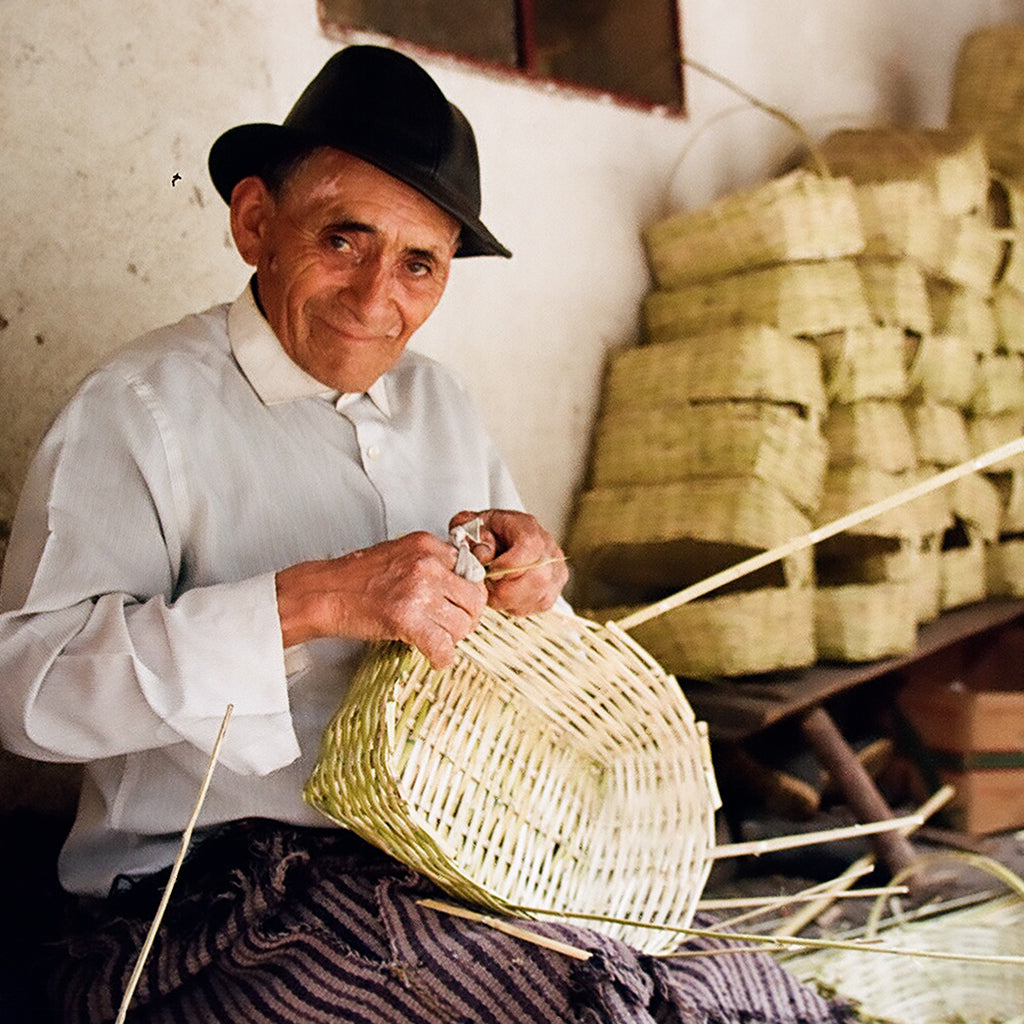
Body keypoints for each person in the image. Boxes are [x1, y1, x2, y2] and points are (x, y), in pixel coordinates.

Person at [0, 45, 854, 1024]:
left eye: (419, 263)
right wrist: (314, 599)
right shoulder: (139, 410)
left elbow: (497, 643)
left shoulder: (441, 403)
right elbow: (25, 691)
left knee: (746, 994)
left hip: (438, 861)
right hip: (206, 898)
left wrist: (531, 592)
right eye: (343, 239)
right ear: (255, 224)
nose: (376, 299)